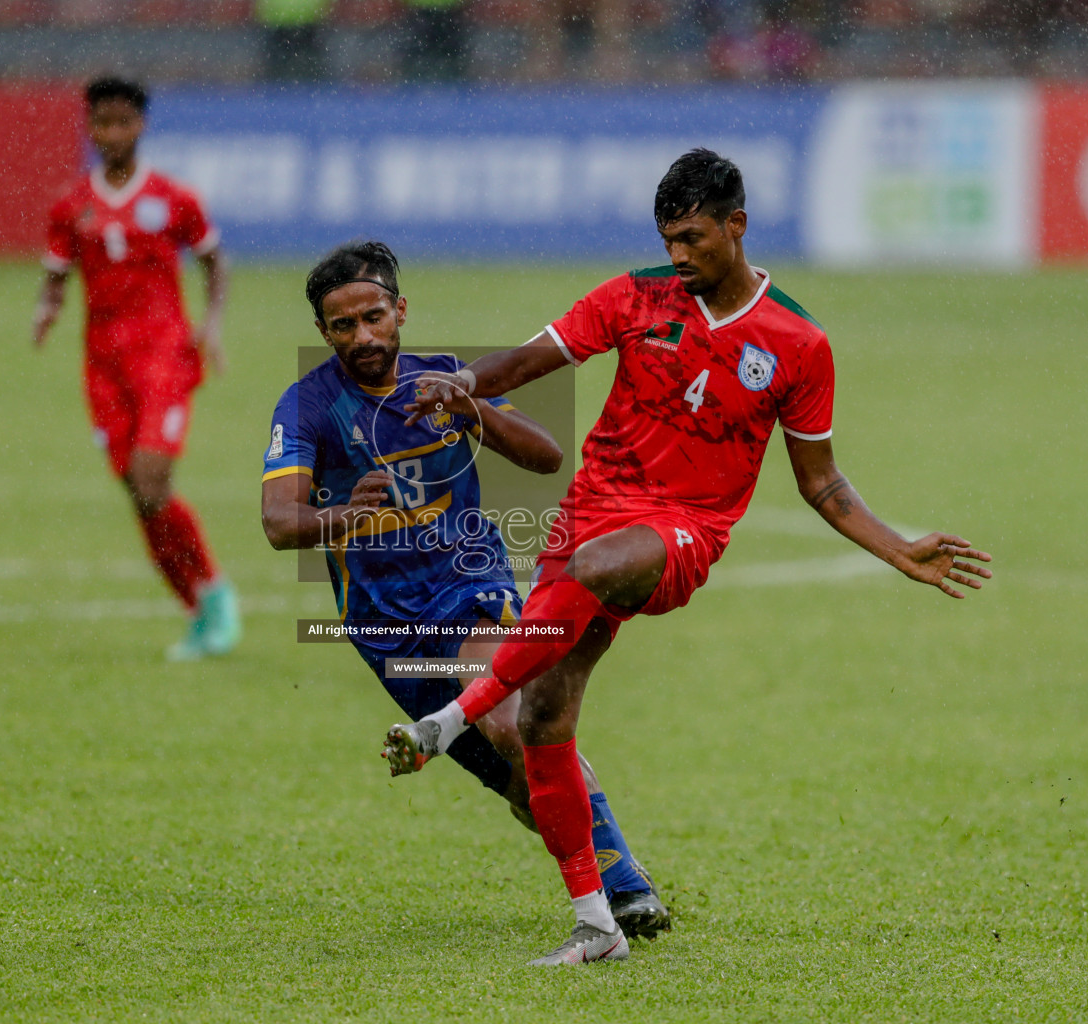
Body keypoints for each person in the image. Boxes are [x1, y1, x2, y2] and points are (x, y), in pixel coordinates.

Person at [384, 148, 995, 966]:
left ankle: (446, 719)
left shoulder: (799, 344)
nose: (679, 255)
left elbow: (821, 482)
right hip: (585, 519)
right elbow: (533, 360)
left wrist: (898, 549)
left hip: (679, 534)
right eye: (668, 237)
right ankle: (598, 922)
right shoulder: (634, 296)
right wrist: (461, 382)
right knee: (539, 722)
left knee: (598, 570)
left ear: (736, 226)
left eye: (694, 237)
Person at [261, 241, 671, 938]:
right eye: (343, 326)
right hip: (385, 626)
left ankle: (626, 892)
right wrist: (344, 516)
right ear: (324, 333)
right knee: (514, 780)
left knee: (514, 722)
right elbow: (279, 522)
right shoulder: (307, 406)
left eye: (374, 316)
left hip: (469, 586)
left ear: (400, 310)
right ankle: (613, 877)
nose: (363, 336)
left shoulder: (444, 378)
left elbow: (545, 456)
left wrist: (473, 409)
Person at [33, 76, 240, 662]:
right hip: (103, 365)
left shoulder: (174, 199)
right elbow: (54, 279)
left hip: (164, 357)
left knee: (152, 481)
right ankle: (198, 605)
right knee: (139, 496)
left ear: (141, 125)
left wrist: (212, 323)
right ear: (90, 127)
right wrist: (45, 310)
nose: (112, 133)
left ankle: (215, 593)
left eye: (123, 121)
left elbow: (215, 263)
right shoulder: (71, 207)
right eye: (102, 123)